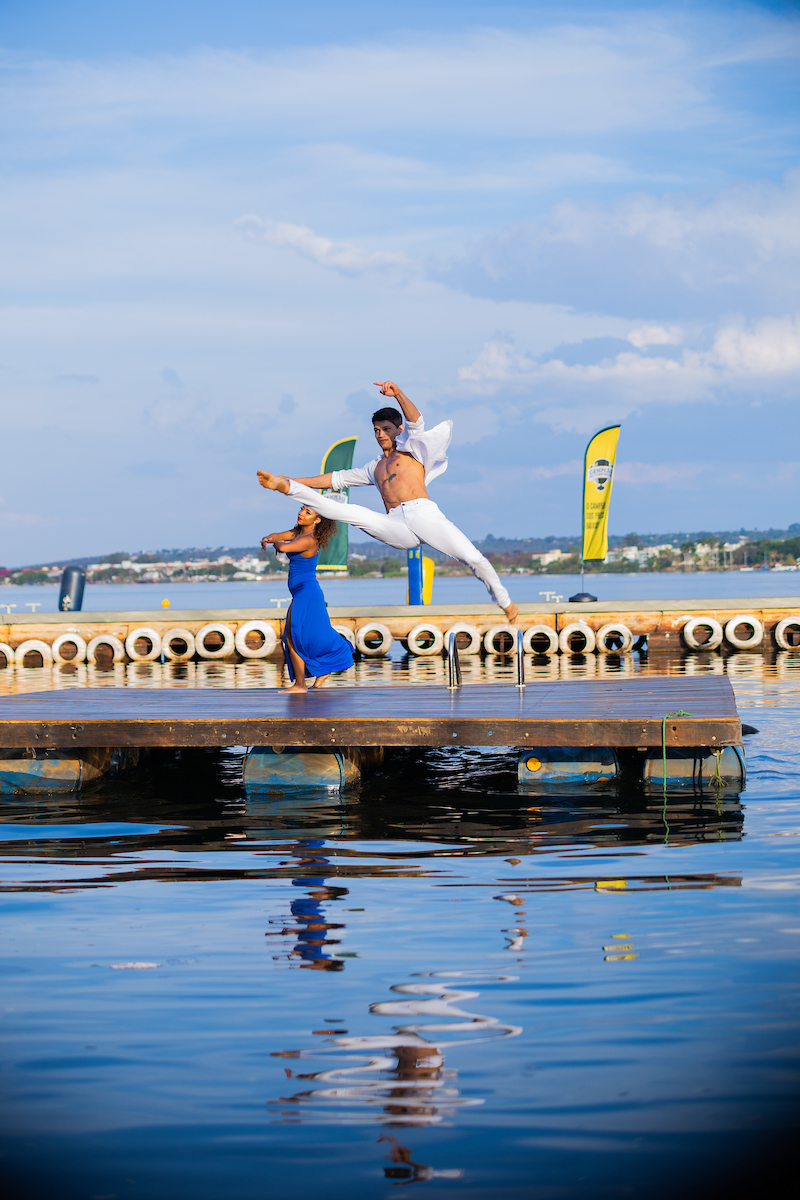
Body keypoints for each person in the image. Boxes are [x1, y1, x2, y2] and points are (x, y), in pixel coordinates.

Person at [258, 381, 518, 621]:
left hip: (423, 515)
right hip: (396, 526)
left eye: (386, 429)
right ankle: (287, 487)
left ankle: (505, 603)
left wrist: (399, 394)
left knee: (474, 558)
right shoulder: (374, 468)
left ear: (398, 430)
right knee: (342, 510)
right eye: (376, 430)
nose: (380, 434)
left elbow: (417, 422)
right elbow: (334, 479)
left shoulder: (411, 450)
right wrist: (293, 479)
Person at [261, 503, 354, 693]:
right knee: (305, 635)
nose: (301, 513)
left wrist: (277, 544)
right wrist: (268, 538)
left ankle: (300, 684)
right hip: (301, 592)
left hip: (307, 592)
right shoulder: (298, 533)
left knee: (292, 636)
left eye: (307, 512)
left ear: (317, 520)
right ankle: (322, 671)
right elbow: (278, 536)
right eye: (302, 509)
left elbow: (284, 546)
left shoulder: (310, 539)